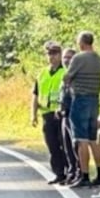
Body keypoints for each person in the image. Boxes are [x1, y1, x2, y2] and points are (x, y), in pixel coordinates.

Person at [64, 31, 100, 188]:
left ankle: (85, 176)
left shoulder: (79, 57)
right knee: (92, 138)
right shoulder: (98, 59)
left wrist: (68, 84)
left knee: (81, 140)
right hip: (94, 99)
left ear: (81, 43)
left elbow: (67, 77)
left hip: (81, 99)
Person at [31, 41, 66, 184]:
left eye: (55, 54)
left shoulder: (65, 72)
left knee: (64, 144)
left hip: (61, 114)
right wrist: (33, 114)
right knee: (52, 145)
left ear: (60, 55)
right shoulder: (43, 73)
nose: (51, 57)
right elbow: (35, 94)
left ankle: (68, 171)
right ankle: (58, 173)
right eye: (49, 54)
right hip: (47, 114)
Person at [58, 48, 80, 184]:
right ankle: (71, 172)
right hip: (64, 114)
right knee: (67, 145)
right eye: (65, 57)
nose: (67, 60)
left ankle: (78, 171)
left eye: (70, 57)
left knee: (75, 144)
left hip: (74, 114)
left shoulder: (76, 75)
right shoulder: (65, 74)